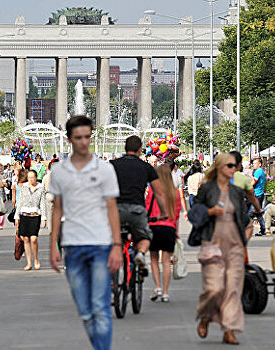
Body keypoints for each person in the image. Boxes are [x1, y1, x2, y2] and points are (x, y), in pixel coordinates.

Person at [49, 115, 122, 350]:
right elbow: (57, 208)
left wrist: (117, 246)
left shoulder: (104, 169)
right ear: (69, 139)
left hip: (101, 243)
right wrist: (53, 246)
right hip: (72, 244)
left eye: (87, 137)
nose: (83, 142)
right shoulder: (59, 171)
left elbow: (112, 208)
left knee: (100, 306)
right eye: (78, 138)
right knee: (85, 311)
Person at [194, 153, 249, 345]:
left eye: (235, 166)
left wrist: (245, 240)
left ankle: (229, 329)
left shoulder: (236, 191)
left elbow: (244, 219)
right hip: (212, 243)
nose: (234, 169)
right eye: (230, 166)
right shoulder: (207, 189)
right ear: (219, 167)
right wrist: (210, 212)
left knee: (233, 289)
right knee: (215, 288)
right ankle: (206, 316)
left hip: (234, 245)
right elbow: (195, 212)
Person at [111, 135, 167, 267]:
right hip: (137, 210)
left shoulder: (113, 165)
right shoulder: (146, 167)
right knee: (146, 237)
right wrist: (163, 212)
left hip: (116, 210)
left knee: (109, 237)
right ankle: (140, 254)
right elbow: (158, 192)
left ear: (125, 148)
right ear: (140, 149)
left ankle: (112, 276)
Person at [146, 164, 182, 303]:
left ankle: (157, 287)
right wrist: (176, 232)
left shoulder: (152, 191)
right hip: (169, 227)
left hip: (154, 226)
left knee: (154, 259)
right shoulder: (175, 192)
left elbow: (147, 207)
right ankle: (166, 292)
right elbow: (177, 215)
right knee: (166, 261)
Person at [15, 169, 47, 270]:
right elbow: (20, 202)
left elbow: (42, 203)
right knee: (25, 238)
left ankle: (36, 259)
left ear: (36, 178)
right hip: (24, 214)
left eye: (32, 177)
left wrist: (44, 217)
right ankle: (29, 263)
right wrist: (17, 216)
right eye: (29, 178)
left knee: (34, 238)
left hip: (35, 215)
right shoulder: (24, 187)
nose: (30, 180)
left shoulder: (40, 188)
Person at [229, 151, 262, 239]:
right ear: (239, 164)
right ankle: (242, 245)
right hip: (237, 211)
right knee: (248, 226)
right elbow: (252, 197)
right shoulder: (243, 179)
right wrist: (258, 209)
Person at [250, 158, 267, 236]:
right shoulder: (261, 172)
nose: (253, 164)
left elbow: (253, 183)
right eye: (253, 163)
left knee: (250, 212)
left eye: (255, 163)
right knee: (258, 213)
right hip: (260, 194)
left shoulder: (258, 172)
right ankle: (263, 229)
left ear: (259, 164)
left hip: (257, 195)